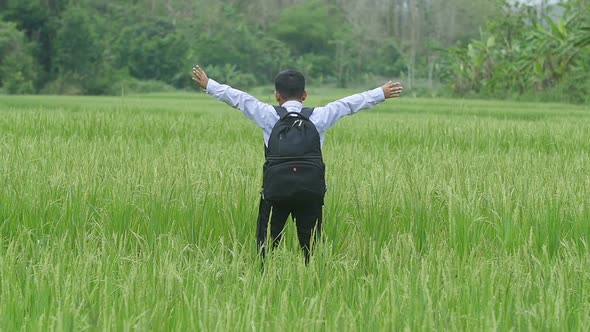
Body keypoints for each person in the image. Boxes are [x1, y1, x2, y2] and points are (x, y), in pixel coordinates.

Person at [192, 65, 402, 265]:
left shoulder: (267, 115)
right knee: (311, 249)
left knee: (265, 247)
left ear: (277, 95)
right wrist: (381, 92)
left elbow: (238, 98)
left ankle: (263, 279)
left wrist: (208, 84)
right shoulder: (319, 117)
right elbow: (348, 104)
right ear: (304, 95)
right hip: (310, 192)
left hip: (276, 192)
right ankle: (312, 283)